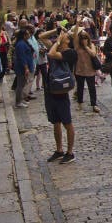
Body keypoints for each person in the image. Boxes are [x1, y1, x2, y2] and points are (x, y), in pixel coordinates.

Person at [45, 29, 77, 164]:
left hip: (61, 91)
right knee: (55, 122)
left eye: (63, 37)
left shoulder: (70, 53)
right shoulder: (56, 46)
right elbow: (41, 36)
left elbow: (51, 54)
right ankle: (59, 150)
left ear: (67, 40)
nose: (60, 37)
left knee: (67, 122)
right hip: (51, 89)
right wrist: (56, 30)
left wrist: (58, 41)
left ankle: (70, 152)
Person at [73, 30, 100, 113]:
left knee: (92, 88)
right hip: (79, 70)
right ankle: (80, 103)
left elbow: (93, 54)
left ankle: (94, 104)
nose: (84, 40)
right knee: (80, 88)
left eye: (85, 38)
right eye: (82, 38)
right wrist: (77, 23)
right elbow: (74, 36)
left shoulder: (91, 45)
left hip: (90, 70)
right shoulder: (77, 46)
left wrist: (86, 47)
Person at [13, 28, 34, 109]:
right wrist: (26, 68)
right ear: (24, 35)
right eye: (27, 34)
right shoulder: (20, 44)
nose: (29, 35)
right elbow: (22, 57)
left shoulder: (24, 43)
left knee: (23, 84)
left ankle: (21, 100)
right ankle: (18, 102)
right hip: (22, 68)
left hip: (26, 66)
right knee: (20, 85)